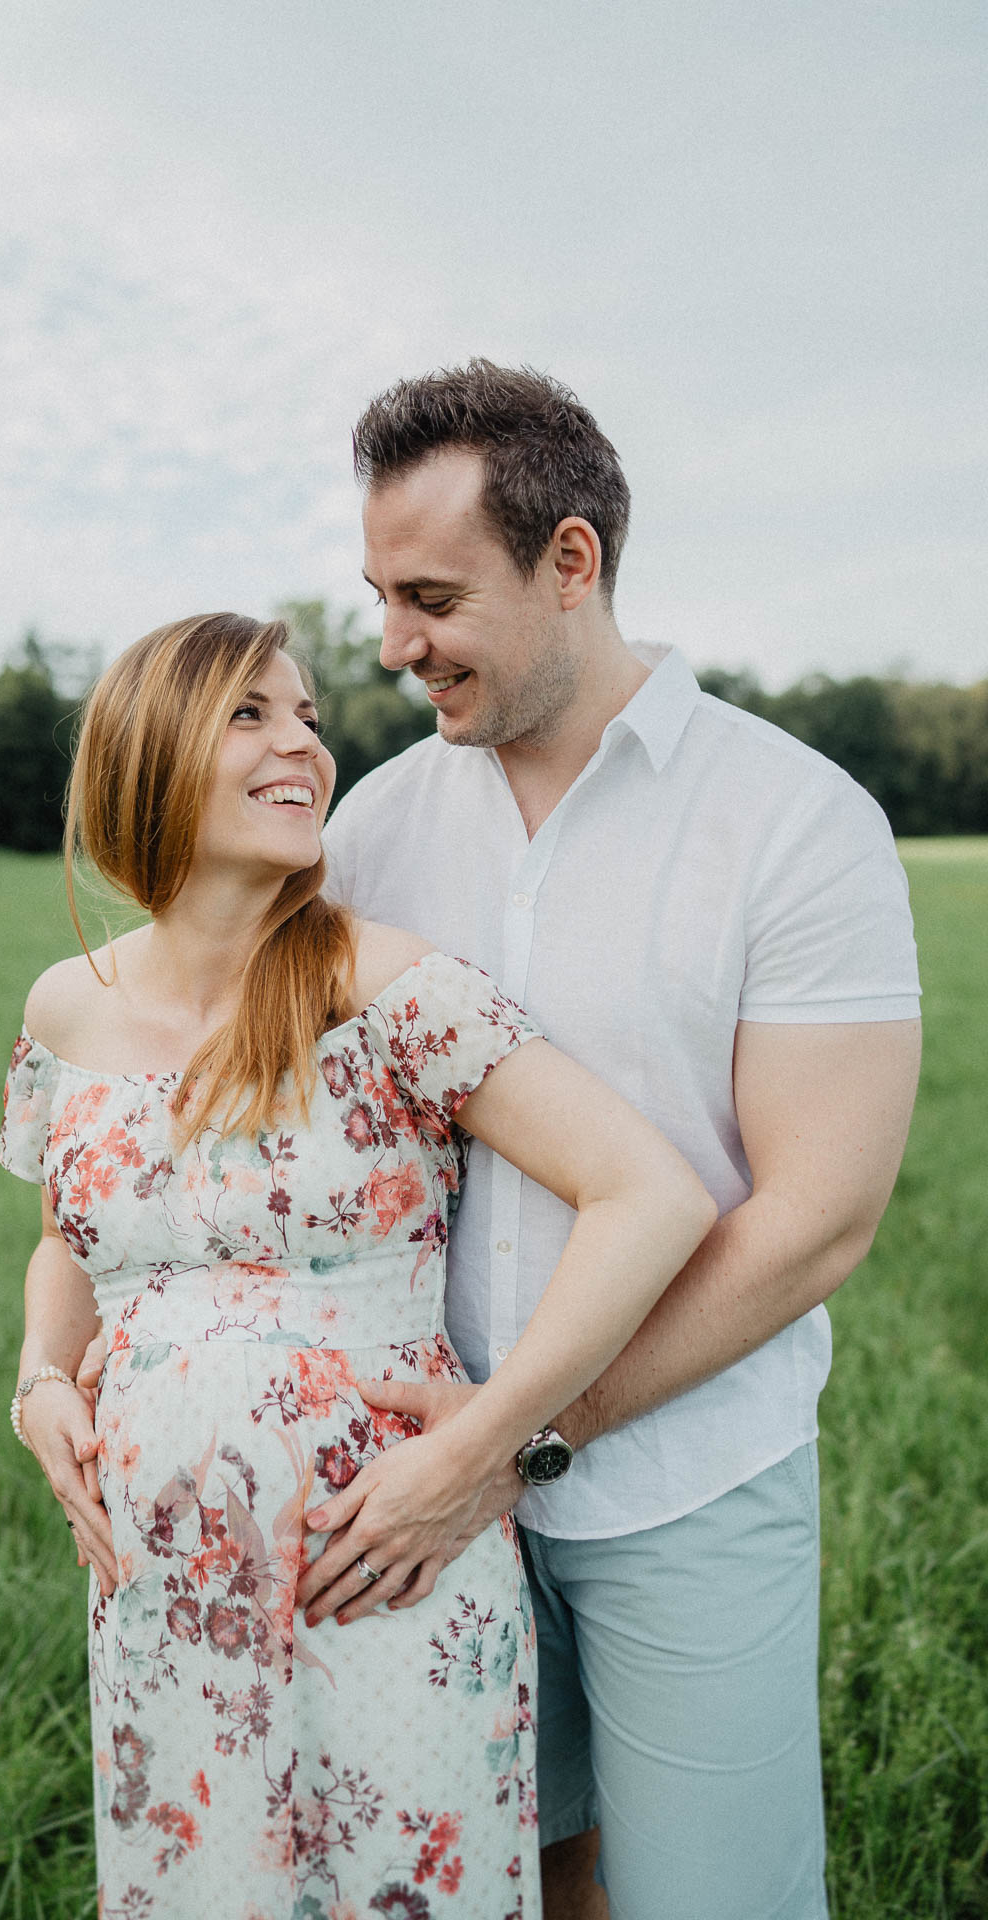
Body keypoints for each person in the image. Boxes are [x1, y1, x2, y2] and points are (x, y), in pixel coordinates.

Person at [297, 360, 923, 1920]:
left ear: (571, 563)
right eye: (379, 595)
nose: (391, 647)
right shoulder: (369, 828)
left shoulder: (796, 821)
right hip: (417, 1484)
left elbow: (819, 1221)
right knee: (513, 1882)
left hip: (687, 1486)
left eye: (432, 596)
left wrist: (514, 1444)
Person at [0, 611, 717, 1918]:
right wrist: (43, 1380)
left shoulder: (384, 988)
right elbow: (68, 1233)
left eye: (311, 717)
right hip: (166, 1600)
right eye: (253, 715)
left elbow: (647, 1195)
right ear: (147, 753)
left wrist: (493, 1440)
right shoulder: (65, 1008)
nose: (305, 747)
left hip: (388, 1568)